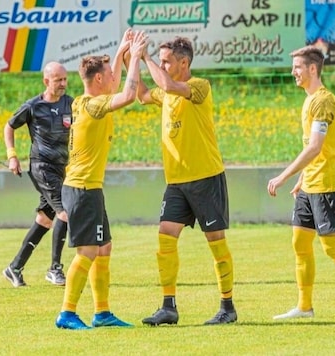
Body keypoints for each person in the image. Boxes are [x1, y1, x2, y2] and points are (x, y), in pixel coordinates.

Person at [266, 46, 335, 321]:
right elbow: (312, 146)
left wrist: (283, 176)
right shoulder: (308, 100)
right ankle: (304, 307)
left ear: (312, 69)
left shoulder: (323, 101)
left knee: (333, 248)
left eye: (297, 67)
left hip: (328, 184)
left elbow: (316, 147)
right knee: (300, 243)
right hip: (310, 185)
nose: (293, 72)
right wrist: (302, 179)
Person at [135, 36, 237, 326]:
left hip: (206, 177)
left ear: (184, 62)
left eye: (166, 60)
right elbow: (143, 95)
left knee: (216, 243)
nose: (163, 65)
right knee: (165, 238)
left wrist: (146, 58)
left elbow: (167, 85)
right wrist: (132, 59)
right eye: (161, 60)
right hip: (177, 181)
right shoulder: (165, 92)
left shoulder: (199, 87)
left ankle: (227, 306)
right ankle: (168, 306)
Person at [54, 29, 148, 330]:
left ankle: (102, 313)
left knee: (103, 246)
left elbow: (116, 86)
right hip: (82, 190)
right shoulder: (94, 106)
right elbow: (129, 94)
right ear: (98, 80)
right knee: (88, 251)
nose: (113, 78)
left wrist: (120, 53)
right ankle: (67, 313)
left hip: (87, 188)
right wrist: (134, 58)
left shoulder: (85, 101)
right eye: (108, 74)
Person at [2, 61, 71, 288]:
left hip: (62, 168)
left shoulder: (71, 104)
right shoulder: (33, 106)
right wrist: (12, 156)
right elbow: (9, 126)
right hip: (41, 167)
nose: (63, 84)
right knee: (65, 212)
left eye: (65, 79)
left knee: (45, 219)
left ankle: (15, 267)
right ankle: (55, 269)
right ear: (46, 81)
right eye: (57, 80)